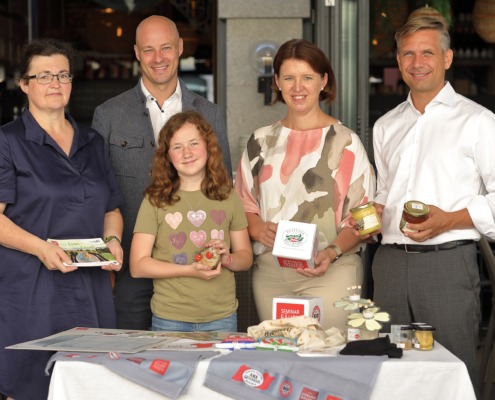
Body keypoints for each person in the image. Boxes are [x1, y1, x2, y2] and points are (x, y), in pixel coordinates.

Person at [371, 14, 495, 392]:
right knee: (390, 373)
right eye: (408, 54)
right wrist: (372, 212)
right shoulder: (386, 125)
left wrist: (450, 219)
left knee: (452, 373)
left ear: (447, 58)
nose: (417, 62)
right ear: (398, 60)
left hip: (447, 265)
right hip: (389, 266)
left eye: (427, 52)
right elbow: (384, 193)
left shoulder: (478, 122)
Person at [0, 38, 124, 400]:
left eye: (63, 74)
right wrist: (40, 248)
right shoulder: (8, 141)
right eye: (44, 76)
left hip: (90, 286)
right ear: (24, 84)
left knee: (91, 383)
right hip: (32, 289)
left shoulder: (92, 141)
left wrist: (114, 241)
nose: (55, 83)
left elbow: (111, 209)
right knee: (33, 386)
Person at [92, 15, 232, 330]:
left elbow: (223, 182)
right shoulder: (108, 115)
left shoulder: (208, 113)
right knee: (131, 358)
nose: (158, 58)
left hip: (192, 264)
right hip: (129, 265)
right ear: (137, 53)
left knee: (192, 359)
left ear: (180, 48)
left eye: (166, 48)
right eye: (149, 50)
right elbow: (98, 192)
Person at [234, 39, 376, 332]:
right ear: (277, 82)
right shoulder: (258, 142)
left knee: (326, 360)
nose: (298, 87)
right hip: (271, 274)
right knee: (280, 362)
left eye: (307, 77)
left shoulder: (346, 142)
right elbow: (241, 205)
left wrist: (331, 252)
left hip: (331, 272)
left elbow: (367, 218)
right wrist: (258, 229)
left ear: (324, 81)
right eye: (289, 77)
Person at [129, 110, 252, 332]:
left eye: (194, 143)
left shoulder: (228, 196)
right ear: (167, 156)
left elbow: (245, 258)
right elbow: (138, 265)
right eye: (177, 147)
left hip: (222, 317)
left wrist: (226, 259)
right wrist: (190, 270)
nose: (187, 153)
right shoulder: (155, 199)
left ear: (208, 147)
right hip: (170, 318)